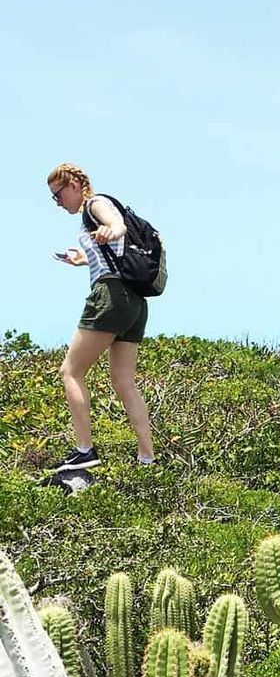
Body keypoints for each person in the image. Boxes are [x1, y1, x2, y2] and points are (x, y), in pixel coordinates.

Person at [47, 163, 155, 469]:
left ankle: (84, 451)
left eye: (58, 195)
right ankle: (147, 458)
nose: (58, 203)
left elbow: (116, 223)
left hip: (110, 296)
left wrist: (113, 228)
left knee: (70, 371)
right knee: (124, 381)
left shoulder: (95, 204)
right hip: (134, 302)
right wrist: (83, 260)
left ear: (73, 185)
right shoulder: (89, 216)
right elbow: (111, 251)